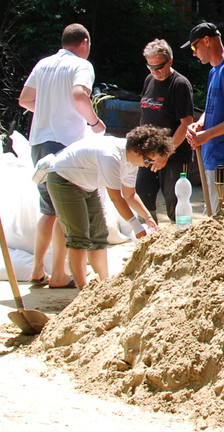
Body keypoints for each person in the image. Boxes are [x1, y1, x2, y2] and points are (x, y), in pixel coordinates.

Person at [18, 24, 103, 288]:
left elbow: (25, 99)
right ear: (85, 42)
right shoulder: (81, 66)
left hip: (39, 142)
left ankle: (37, 269)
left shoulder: (44, 64)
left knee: (48, 210)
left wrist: (49, 111)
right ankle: (58, 275)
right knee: (63, 209)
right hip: (65, 145)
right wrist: (94, 122)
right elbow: (80, 95)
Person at [31, 126, 169, 289]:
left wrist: (147, 218)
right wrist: (136, 226)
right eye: (147, 160)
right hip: (64, 179)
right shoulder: (111, 156)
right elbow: (116, 198)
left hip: (87, 185)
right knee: (78, 238)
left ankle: (105, 285)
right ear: (137, 150)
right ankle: (83, 291)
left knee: (98, 234)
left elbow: (130, 195)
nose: (148, 165)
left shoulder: (132, 162)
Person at [183, 22, 224, 216]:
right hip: (213, 157)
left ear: (206, 41)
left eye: (194, 47)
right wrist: (200, 123)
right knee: (212, 218)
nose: (194, 53)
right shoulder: (215, 71)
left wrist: (206, 135)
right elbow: (214, 107)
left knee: (223, 222)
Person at [135, 38, 197, 223]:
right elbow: (145, 116)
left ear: (170, 61)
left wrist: (165, 153)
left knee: (175, 204)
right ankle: (148, 238)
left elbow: (186, 123)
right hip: (148, 153)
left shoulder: (180, 85)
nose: (155, 71)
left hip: (174, 154)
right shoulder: (149, 80)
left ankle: (181, 240)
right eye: (150, 67)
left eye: (159, 67)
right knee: (142, 196)